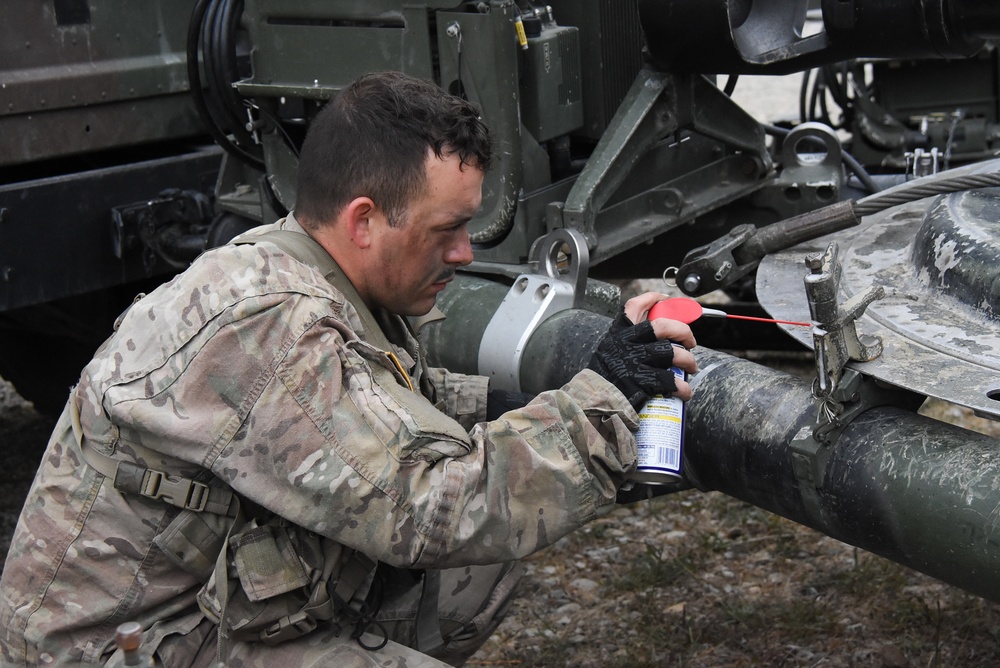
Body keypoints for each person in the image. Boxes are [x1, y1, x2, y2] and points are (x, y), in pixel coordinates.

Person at [0, 71, 697, 666]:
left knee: (475, 571)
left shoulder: (312, 265)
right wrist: (598, 407)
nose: (463, 252)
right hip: (111, 647)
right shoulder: (268, 326)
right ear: (364, 220)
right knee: (472, 532)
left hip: (188, 601)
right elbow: (429, 511)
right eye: (445, 230)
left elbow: (392, 410)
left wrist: (547, 399)